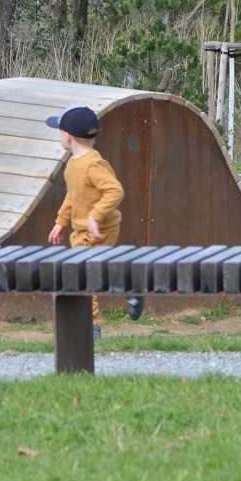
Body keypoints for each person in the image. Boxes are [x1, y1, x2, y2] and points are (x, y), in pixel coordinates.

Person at [45, 104, 139, 338]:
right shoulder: (74, 164)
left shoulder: (92, 164)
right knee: (94, 272)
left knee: (84, 276)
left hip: (98, 230)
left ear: (67, 136)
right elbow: (73, 195)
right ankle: (131, 291)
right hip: (82, 230)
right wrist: (61, 221)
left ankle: (91, 328)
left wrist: (95, 217)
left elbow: (114, 191)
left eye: (59, 131)